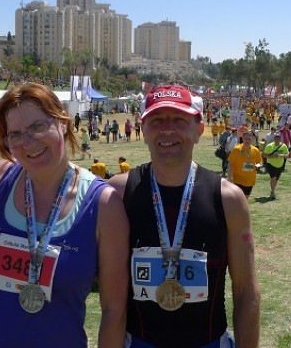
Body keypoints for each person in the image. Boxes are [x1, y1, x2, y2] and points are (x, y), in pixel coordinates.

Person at [0, 82, 128, 347]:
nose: (28, 142)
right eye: (15, 135)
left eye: (38, 127)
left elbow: (114, 311)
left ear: (62, 122)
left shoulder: (103, 204)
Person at [107, 83, 260, 347]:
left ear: (200, 129)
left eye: (179, 119)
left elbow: (246, 292)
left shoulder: (229, 199)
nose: (168, 129)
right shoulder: (117, 194)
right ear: (143, 131)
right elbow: (110, 300)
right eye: (156, 120)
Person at [228, 127, 264, 197]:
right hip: (238, 179)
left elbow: (260, 162)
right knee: (238, 199)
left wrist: (257, 166)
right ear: (243, 139)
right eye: (246, 139)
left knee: (245, 199)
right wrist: (229, 177)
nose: (247, 141)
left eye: (249, 139)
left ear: (252, 139)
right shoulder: (236, 149)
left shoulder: (256, 150)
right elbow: (230, 163)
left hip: (250, 180)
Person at [263, 132, 288, 200]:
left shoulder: (283, 146)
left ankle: (273, 190)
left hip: (280, 165)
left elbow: (287, 155)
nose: (277, 139)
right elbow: (264, 155)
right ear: (274, 139)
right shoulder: (269, 146)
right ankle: (273, 192)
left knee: (276, 180)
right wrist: (271, 156)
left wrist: (281, 155)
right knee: (273, 178)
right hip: (270, 164)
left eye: (278, 138)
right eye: (276, 138)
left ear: (280, 139)